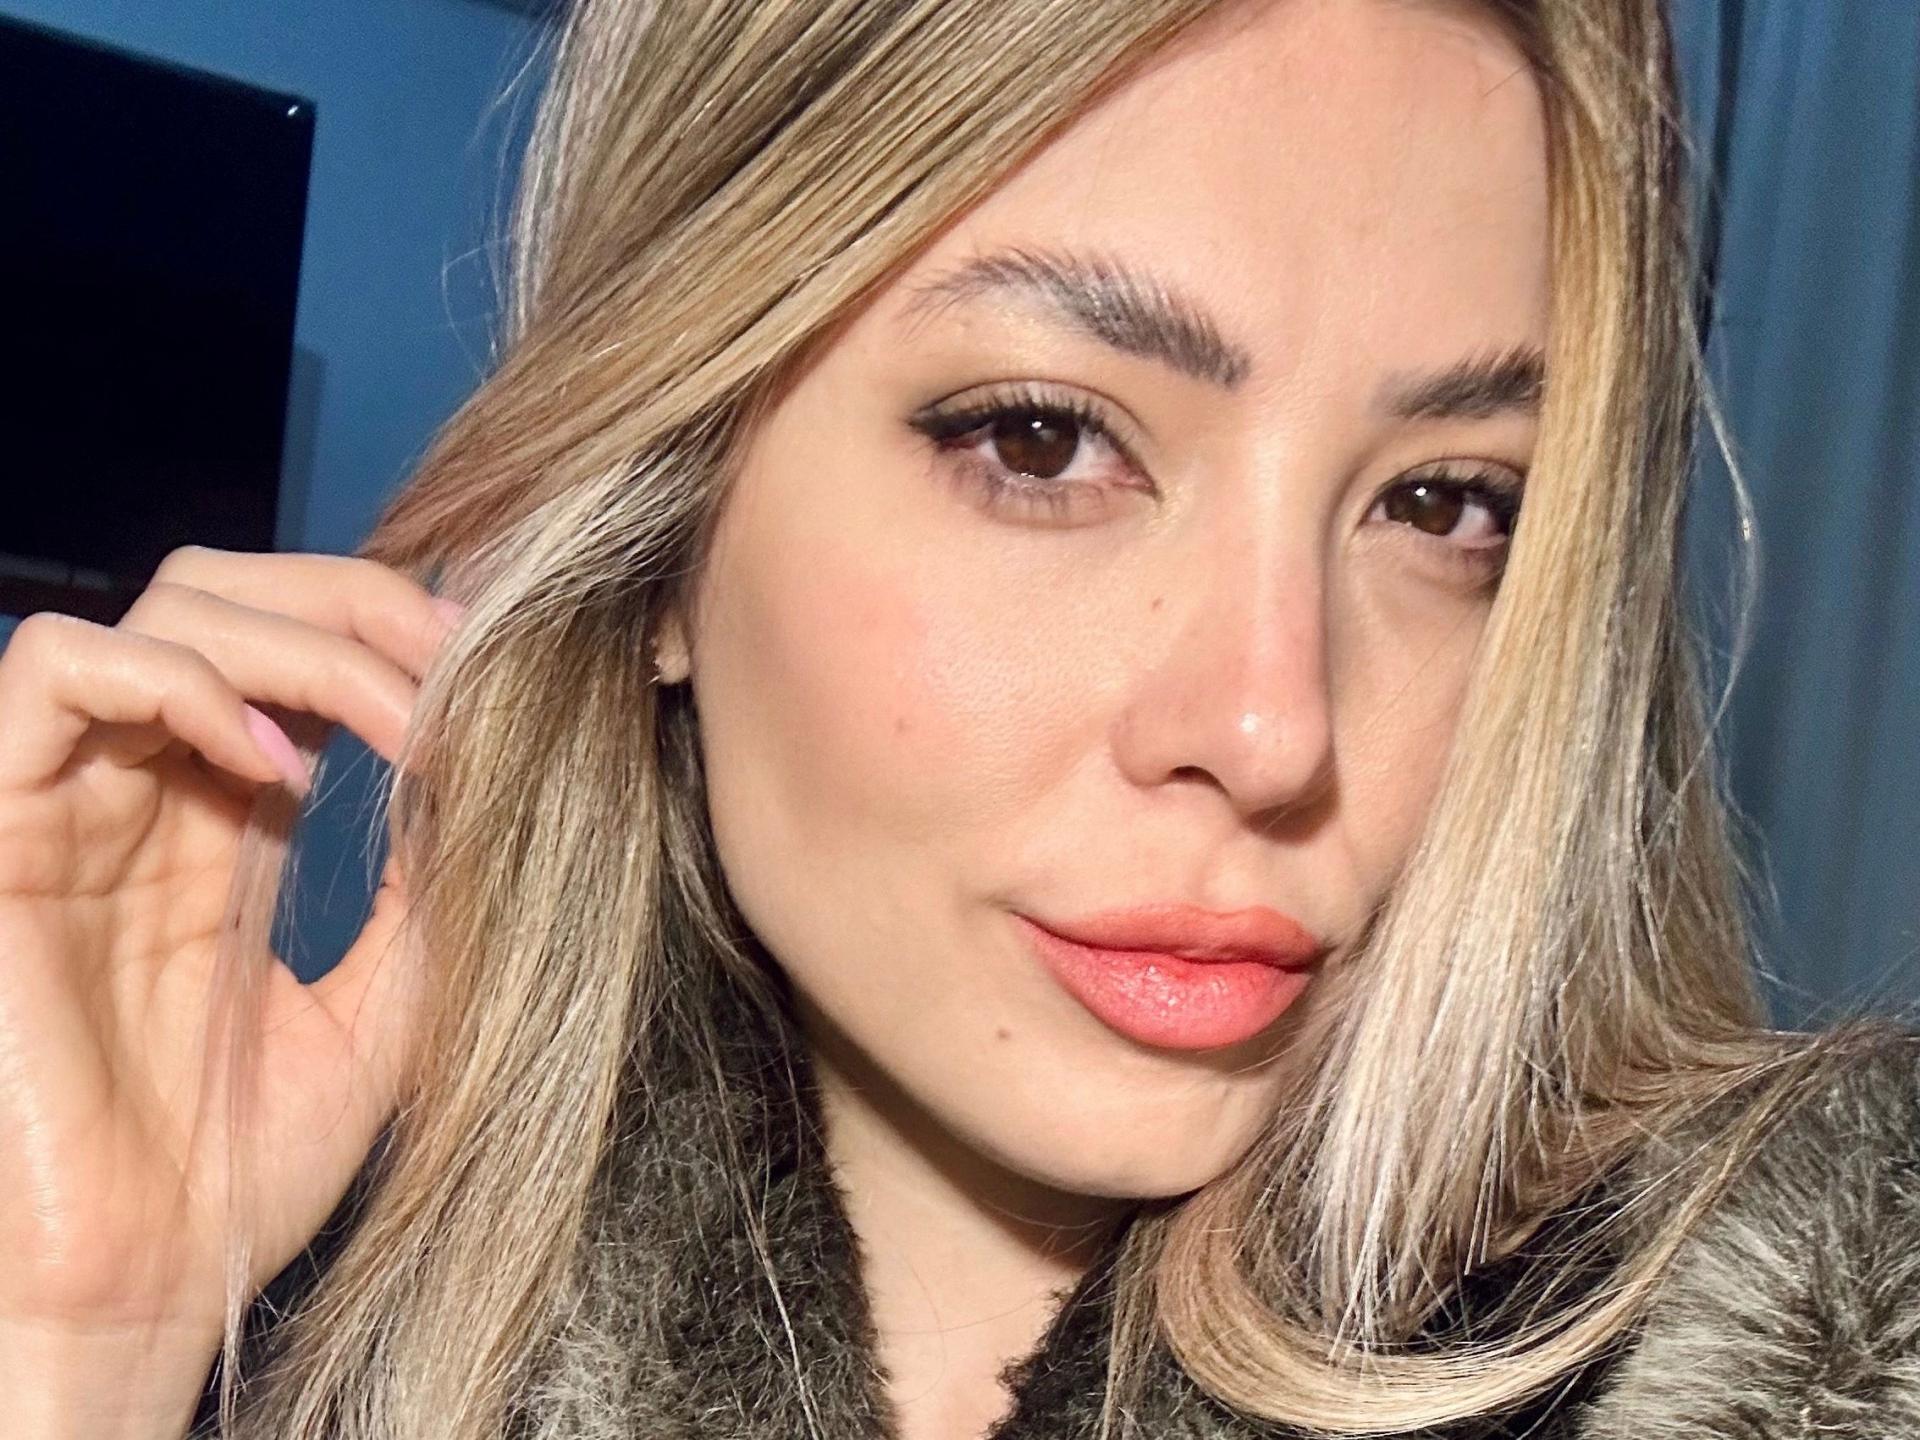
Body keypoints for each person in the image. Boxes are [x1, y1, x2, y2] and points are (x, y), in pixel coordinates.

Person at [1, 0, 1915, 1436]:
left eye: (1445, 503)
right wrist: (76, 1350)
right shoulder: (299, 1333)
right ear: (659, 531)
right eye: (1044, 440)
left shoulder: (1821, 1345)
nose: (1274, 730)